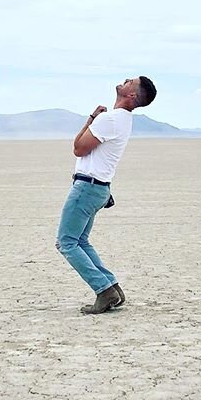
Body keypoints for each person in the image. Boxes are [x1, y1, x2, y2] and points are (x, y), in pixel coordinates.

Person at [55, 76, 157, 314]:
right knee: (80, 241)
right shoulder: (121, 120)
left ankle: (104, 290)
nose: (125, 80)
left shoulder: (110, 120)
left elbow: (78, 148)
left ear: (132, 95)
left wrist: (91, 119)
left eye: (130, 81)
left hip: (87, 188)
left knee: (67, 242)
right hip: (98, 188)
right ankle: (111, 287)